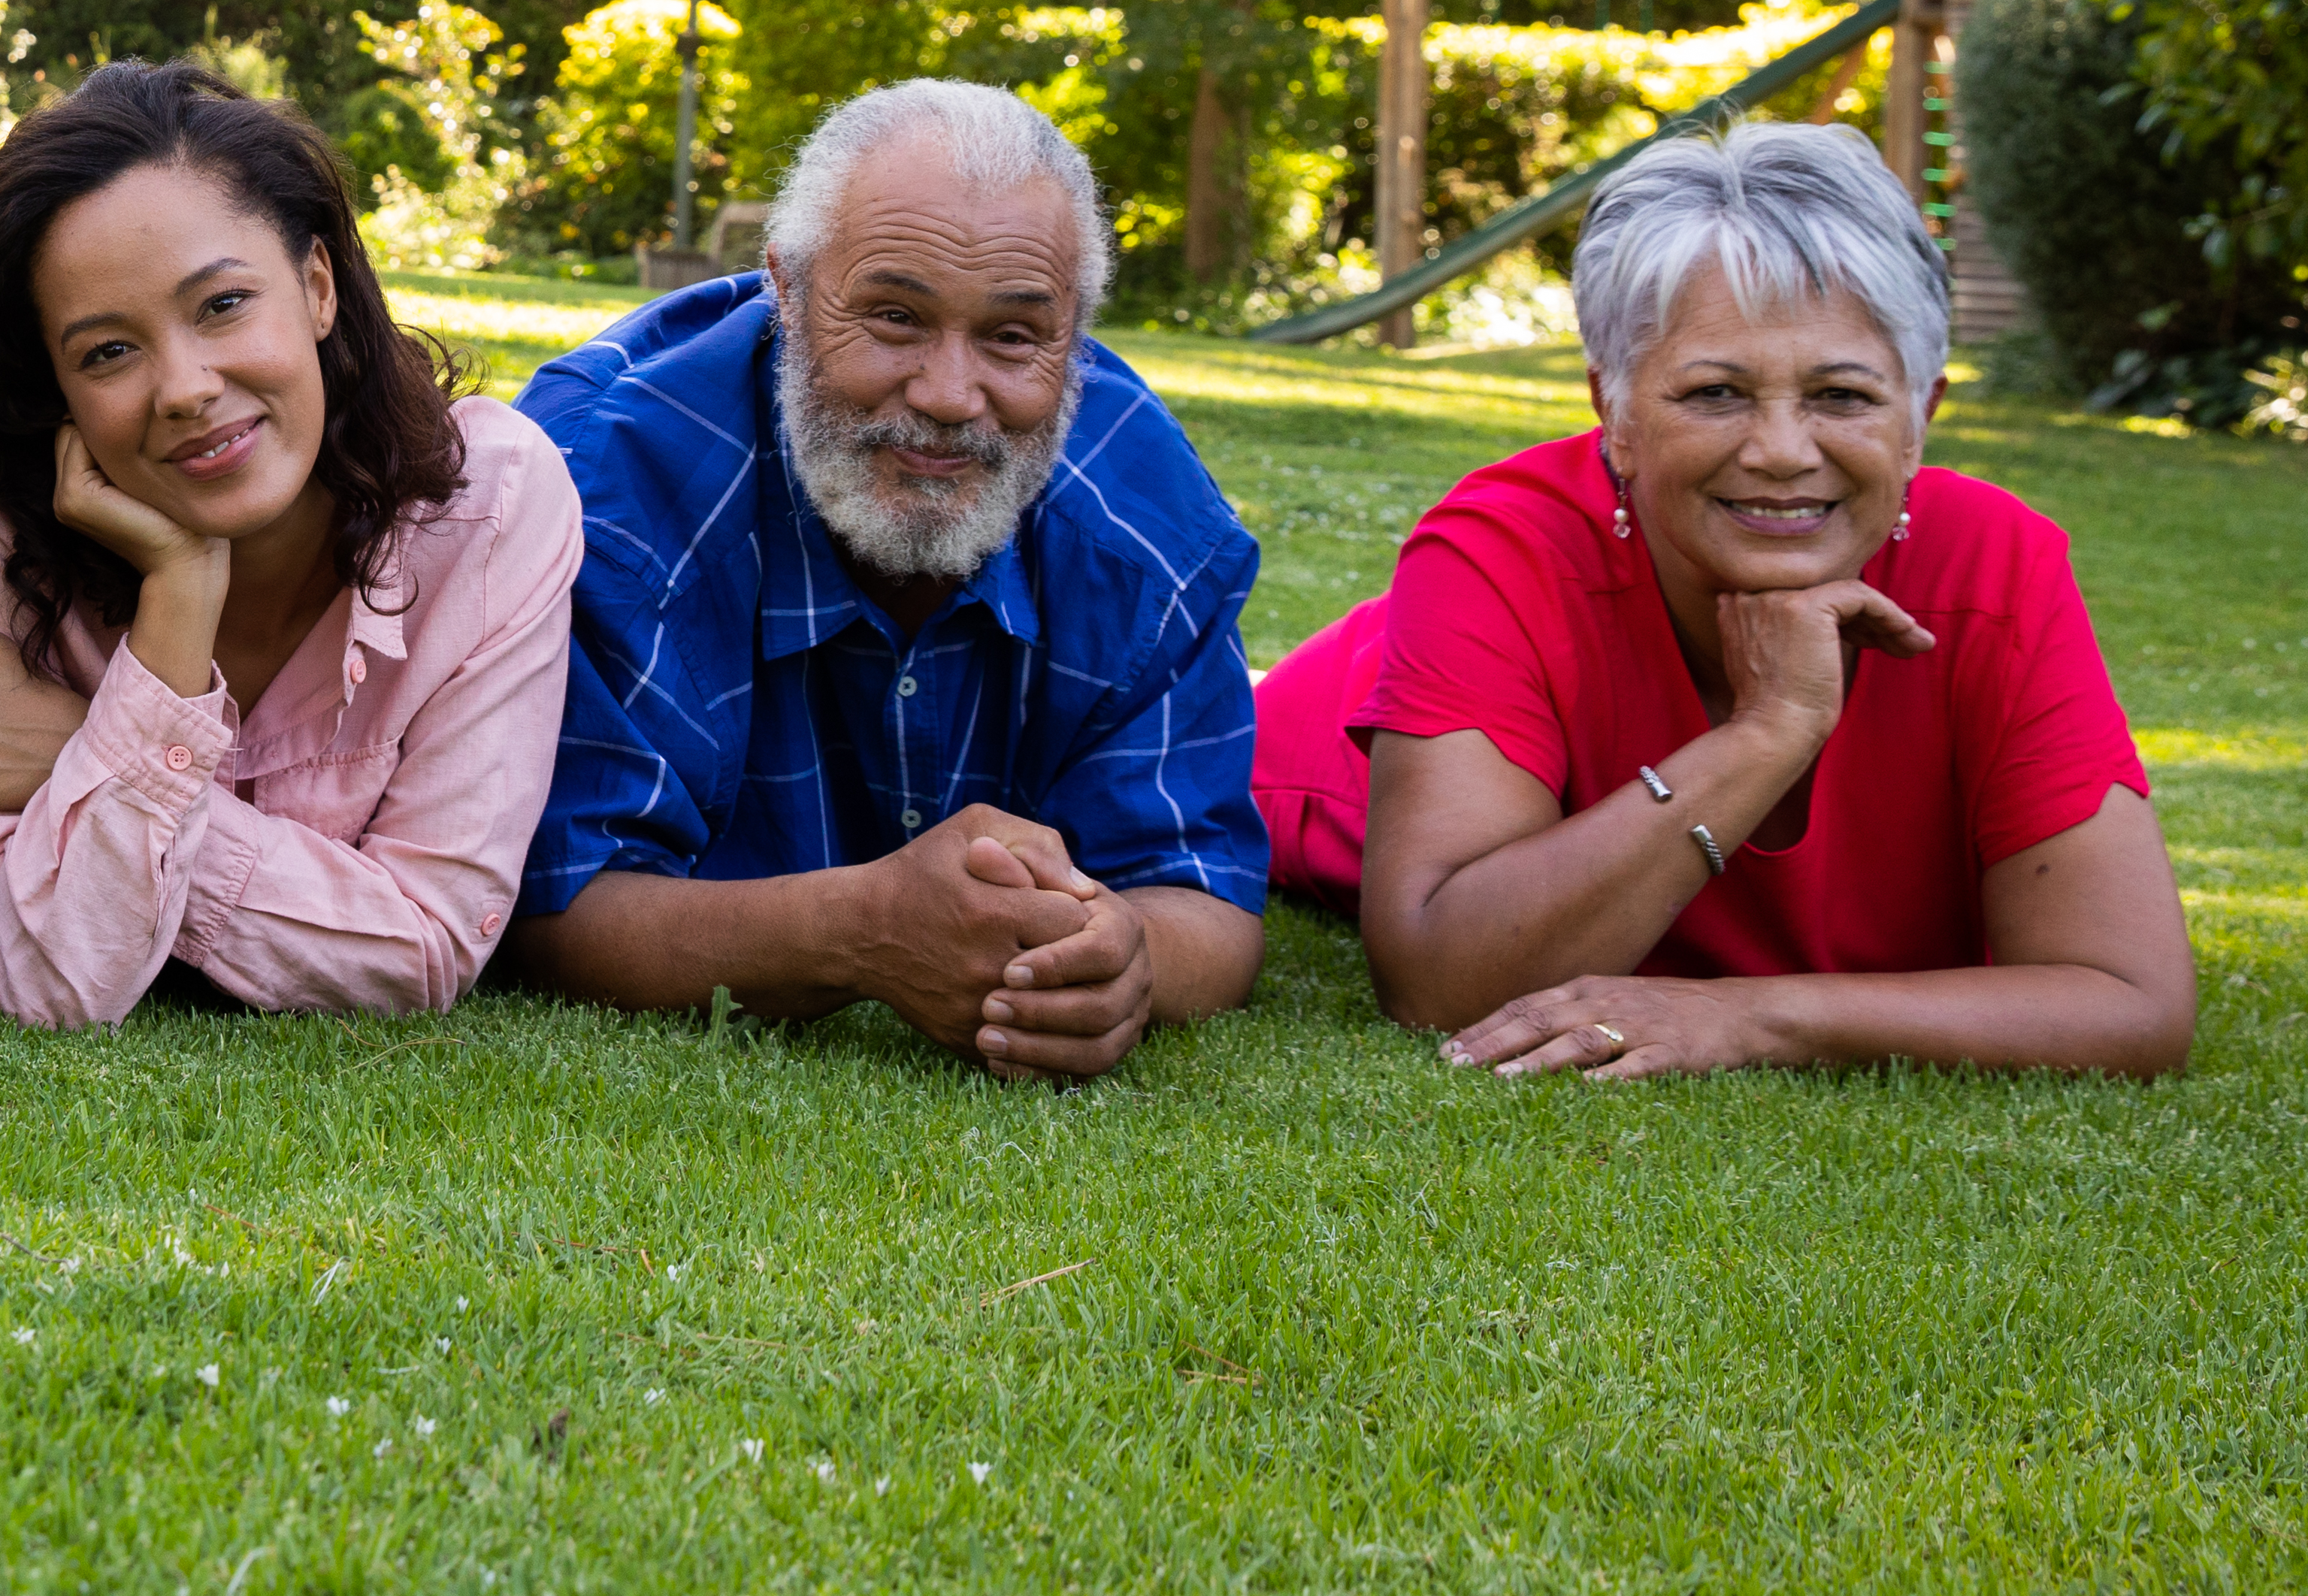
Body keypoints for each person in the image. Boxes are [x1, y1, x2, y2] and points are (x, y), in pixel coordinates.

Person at [1250, 120, 2196, 1080]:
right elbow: (1439, 986)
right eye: (1713, 393)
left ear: (1921, 420)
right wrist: (1770, 727)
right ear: (1612, 414)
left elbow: (2128, 1000)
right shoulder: (1498, 548)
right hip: (1308, 760)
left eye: (1840, 396)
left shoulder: (1996, 565)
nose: (1782, 450)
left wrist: (1752, 1019)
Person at [504, 78, 1266, 1078]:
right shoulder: (598, 498)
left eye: (1012, 335)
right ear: (785, 287)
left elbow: (1202, 886)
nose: (950, 396)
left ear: (1074, 334)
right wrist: (857, 927)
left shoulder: (1148, 522)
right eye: (896, 316)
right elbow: (545, 904)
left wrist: (1124, 960)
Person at [0, 64, 580, 1025]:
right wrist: (182, 587)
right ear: (56, 390)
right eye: (108, 352)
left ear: (316, 287)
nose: (186, 388)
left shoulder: (488, 505)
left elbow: (425, 949)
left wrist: (85, 751)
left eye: (223, 305)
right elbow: (43, 985)